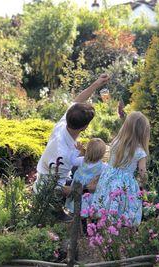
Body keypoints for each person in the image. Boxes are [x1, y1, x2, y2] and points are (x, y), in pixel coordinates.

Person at [32, 74, 109, 219]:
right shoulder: (63, 155)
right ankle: (59, 214)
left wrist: (97, 83)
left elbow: (77, 101)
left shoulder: (63, 124)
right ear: (85, 127)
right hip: (47, 195)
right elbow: (58, 189)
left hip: (50, 175)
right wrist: (87, 189)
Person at [90, 111, 150, 225]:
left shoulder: (116, 142)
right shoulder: (140, 152)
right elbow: (143, 172)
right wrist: (144, 182)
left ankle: (103, 229)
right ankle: (121, 232)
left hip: (108, 177)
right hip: (124, 184)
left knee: (106, 203)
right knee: (123, 208)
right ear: (143, 132)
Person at [65, 138, 107, 214]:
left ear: (88, 150)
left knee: (76, 199)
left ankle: (74, 212)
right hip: (89, 189)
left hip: (78, 185)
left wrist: (77, 151)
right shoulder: (103, 166)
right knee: (87, 200)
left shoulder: (82, 160)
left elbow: (72, 161)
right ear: (102, 154)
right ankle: (86, 213)